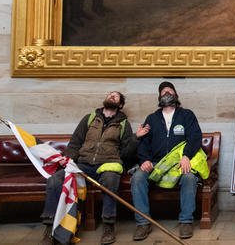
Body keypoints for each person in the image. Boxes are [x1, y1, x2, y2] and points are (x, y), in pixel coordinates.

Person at [39, 91, 138, 245]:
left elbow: (126, 153)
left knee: (111, 180)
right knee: (55, 180)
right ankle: (50, 225)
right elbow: (75, 142)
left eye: (116, 96)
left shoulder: (123, 124)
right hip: (83, 164)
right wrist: (69, 160)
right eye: (110, 95)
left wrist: (135, 139)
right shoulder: (90, 118)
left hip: (108, 163)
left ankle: (108, 226)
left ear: (120, 105)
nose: (111, 96)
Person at [132, 81, 205, 241]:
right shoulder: (151, 118)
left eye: (170, 91)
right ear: (159, 97)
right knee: (137, 178)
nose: (167, 93)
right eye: (163, 91)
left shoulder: (187, 115)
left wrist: (186, 156)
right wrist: (145, 160)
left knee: (189, 177)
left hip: (179, 163)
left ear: (176, 95)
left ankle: (185, 221)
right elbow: (144, 142)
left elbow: (195, 137)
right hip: (156, 163)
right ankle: (143, 223)